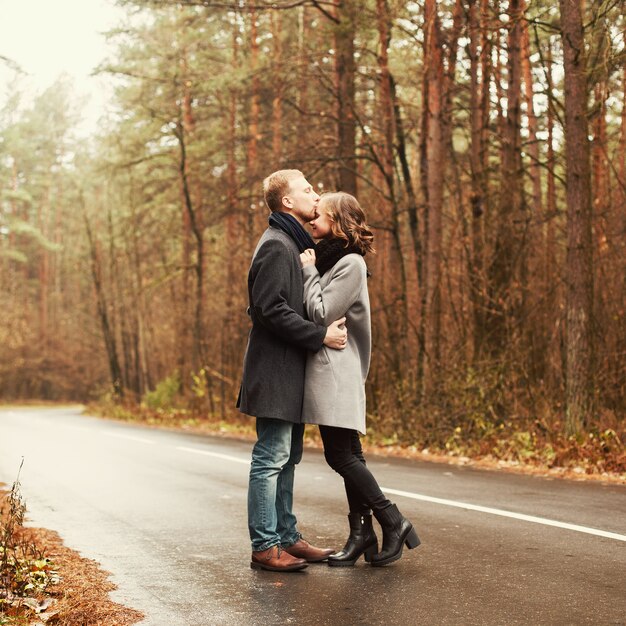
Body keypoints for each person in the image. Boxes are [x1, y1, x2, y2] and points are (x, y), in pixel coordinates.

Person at [300, 192, 420, 567]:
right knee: (350, 454)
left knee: (340, 456)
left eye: (319, 214)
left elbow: (321, 313)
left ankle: (393, 519)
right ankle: (362, 533)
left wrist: (306, 272)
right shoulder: (332, 259)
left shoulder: (349, 262)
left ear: (336, 220)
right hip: (333, 367)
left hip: (337, 369)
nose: (312, 218)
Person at [238, 169, 348, 572]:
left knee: (289, 457)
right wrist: (320, 335)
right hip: (273, 373)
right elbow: (268, 310)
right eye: (307, 190)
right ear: (287, 202)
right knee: (271, 457)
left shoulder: (293, 244)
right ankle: (265, 546)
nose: (315, 195)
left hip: (291, 372)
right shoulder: (275, 245)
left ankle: (286, 537)